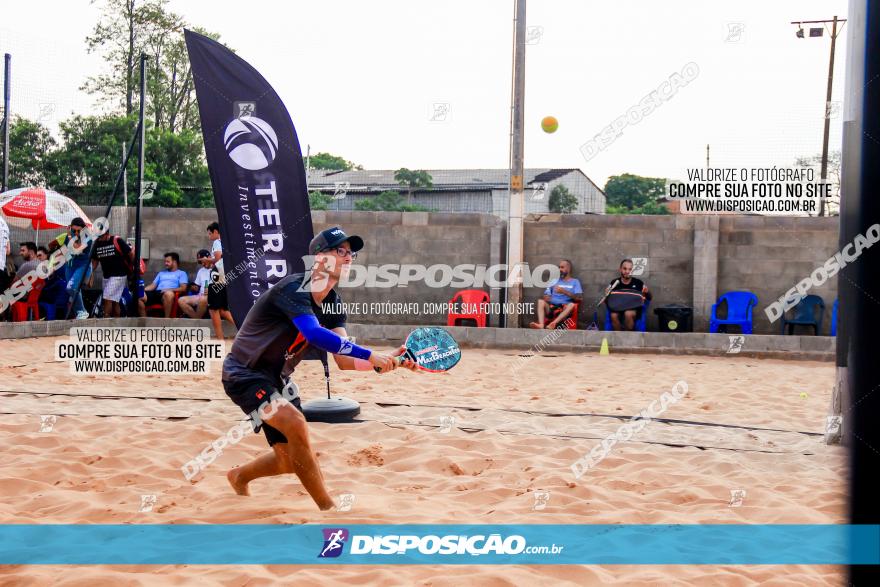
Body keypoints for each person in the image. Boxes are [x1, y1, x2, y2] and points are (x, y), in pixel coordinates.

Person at [222, 226, 417, 510]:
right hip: (244, 373)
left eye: (351, 253)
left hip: (279, 379)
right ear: (319, 258)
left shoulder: (333, 302)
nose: (348, 257)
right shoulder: (293, 288)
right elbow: (313, 334)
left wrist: (387, 361)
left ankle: (239, 476)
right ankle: (329, 509)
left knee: (288, 460)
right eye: (340, 251)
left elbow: (345, 360)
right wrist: (372, 354)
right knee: (297, 424)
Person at [88, 229, 134, 318]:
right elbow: (95, 261)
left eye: (101, 236)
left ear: (107, 233)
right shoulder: (97, 243)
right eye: (98, 236)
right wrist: (89, 273)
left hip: (119, 275)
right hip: (106, 276)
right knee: (115, 301)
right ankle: (116, 324)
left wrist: (133, 267)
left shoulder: (117, 240)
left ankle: (106, 322)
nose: (99, 238)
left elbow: (130, 253)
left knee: (107, 298)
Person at [529, 259, 583, 329]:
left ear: (568, 269)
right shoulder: (554, 281)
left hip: (565, 309)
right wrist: (547, 297)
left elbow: (580, 298)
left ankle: (554, 323)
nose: (560, 269)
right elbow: (546, 295)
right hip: (552, 308)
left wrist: (564, 291)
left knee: (571, 305)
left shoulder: (575, 282)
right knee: (541, 301)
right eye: (559, 267)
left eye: (562, 267)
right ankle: (541, 325)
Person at [606, 258, 652, 331]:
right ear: (620, 269)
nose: (627, 271)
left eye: (630, 269)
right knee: (613, 315)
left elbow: (649, 298)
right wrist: (607, 294)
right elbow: (608, 300)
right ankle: (620, 337)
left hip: (634, 309)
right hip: (617, 308)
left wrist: (647, 292)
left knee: (628, 314)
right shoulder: (614, 282)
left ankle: (628, 337)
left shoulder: (638, 283)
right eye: (625, 269)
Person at [206, 222, 235, 338]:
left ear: (216, 232)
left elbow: (217, 258)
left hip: (217, 276)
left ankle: (220, 338)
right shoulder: (228, 242)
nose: (209, 236)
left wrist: (206, 260)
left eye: (209, 234)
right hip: (225, 277)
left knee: (213, 309)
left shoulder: (217, 242)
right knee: (222, 309)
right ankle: (243, 328)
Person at [138, 252, 188, 317]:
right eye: (165, 261)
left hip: (168, 294)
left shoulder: (182, 273)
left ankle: (166, 321)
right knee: (139, 295)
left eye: (167, 261)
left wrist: (167, 290)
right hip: (156, 293)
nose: (165, 264)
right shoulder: (161, 273)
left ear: (174, 262)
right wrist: (142, 290)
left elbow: (183, 288)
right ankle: (144, 321)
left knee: (169, 294)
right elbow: (152, 286)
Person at [63, 218, 93, 320]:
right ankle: (79, 314)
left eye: (78, 231)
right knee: (73, 291)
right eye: (73, 230)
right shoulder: (69, 236)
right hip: (70, 266)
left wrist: (69, 235)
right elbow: (66, 249)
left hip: (83, 266)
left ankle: (82, 311)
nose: (76, 232)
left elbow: (76, 248)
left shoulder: (88, 237)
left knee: (71, 287)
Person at [177, 249, 213, 319]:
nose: (202, 264)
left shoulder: (217, 269)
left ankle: (196, 321)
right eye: (200, 262)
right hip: (201, 295)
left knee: (203, 299)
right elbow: (197, 286)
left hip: (212, 296)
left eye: (203, 261)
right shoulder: (201, 271)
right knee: (181, 300)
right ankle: (196, 319)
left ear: (209, 258)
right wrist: (194, 287)